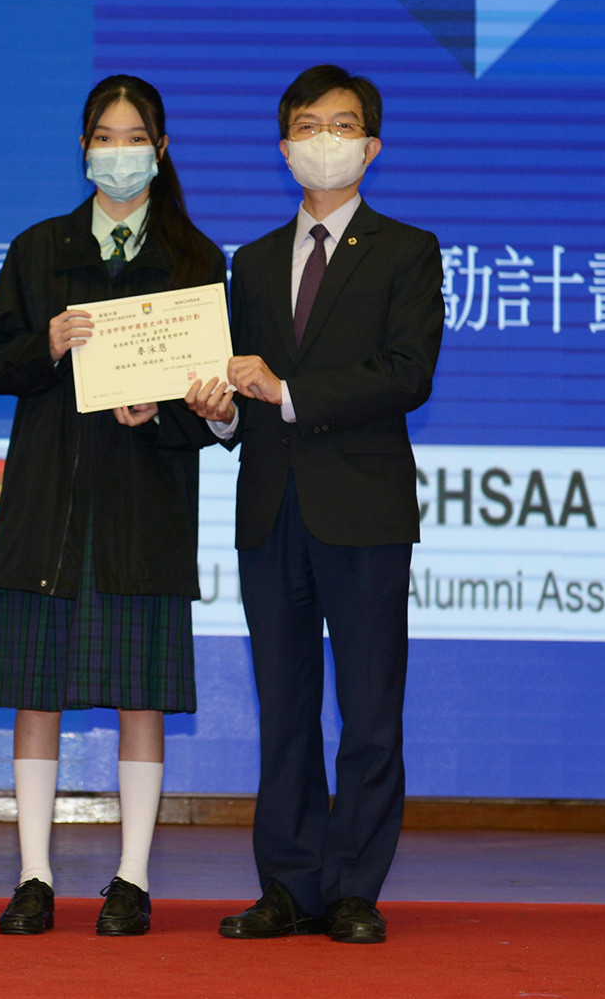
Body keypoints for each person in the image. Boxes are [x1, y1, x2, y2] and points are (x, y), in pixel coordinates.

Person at [185, 64, 444, 945]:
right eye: (306, 125)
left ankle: (355, 889)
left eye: (341, 126)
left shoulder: (407, 250)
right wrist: (220, 413)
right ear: (283, 144)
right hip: (271, 510)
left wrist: (288, 392)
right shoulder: (254, 262)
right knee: (285, 710)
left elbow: (407, 375)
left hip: (363, 510)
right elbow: (241, 389)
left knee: (369, 710)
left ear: (372, 147)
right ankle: (289, 885)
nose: (322, 140)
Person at [0, 74, 227, 939]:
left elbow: (215, 405)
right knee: (35, 694)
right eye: (104, 138)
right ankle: (34, 877)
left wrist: (167, 411)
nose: (119, 154)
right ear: (83, 148)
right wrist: (45, 343)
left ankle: (132, 879)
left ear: (162, 148)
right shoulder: (40, 249)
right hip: (48, 506)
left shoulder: (196, 259)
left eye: (134, 137)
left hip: (142, 506)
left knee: (139, 698)